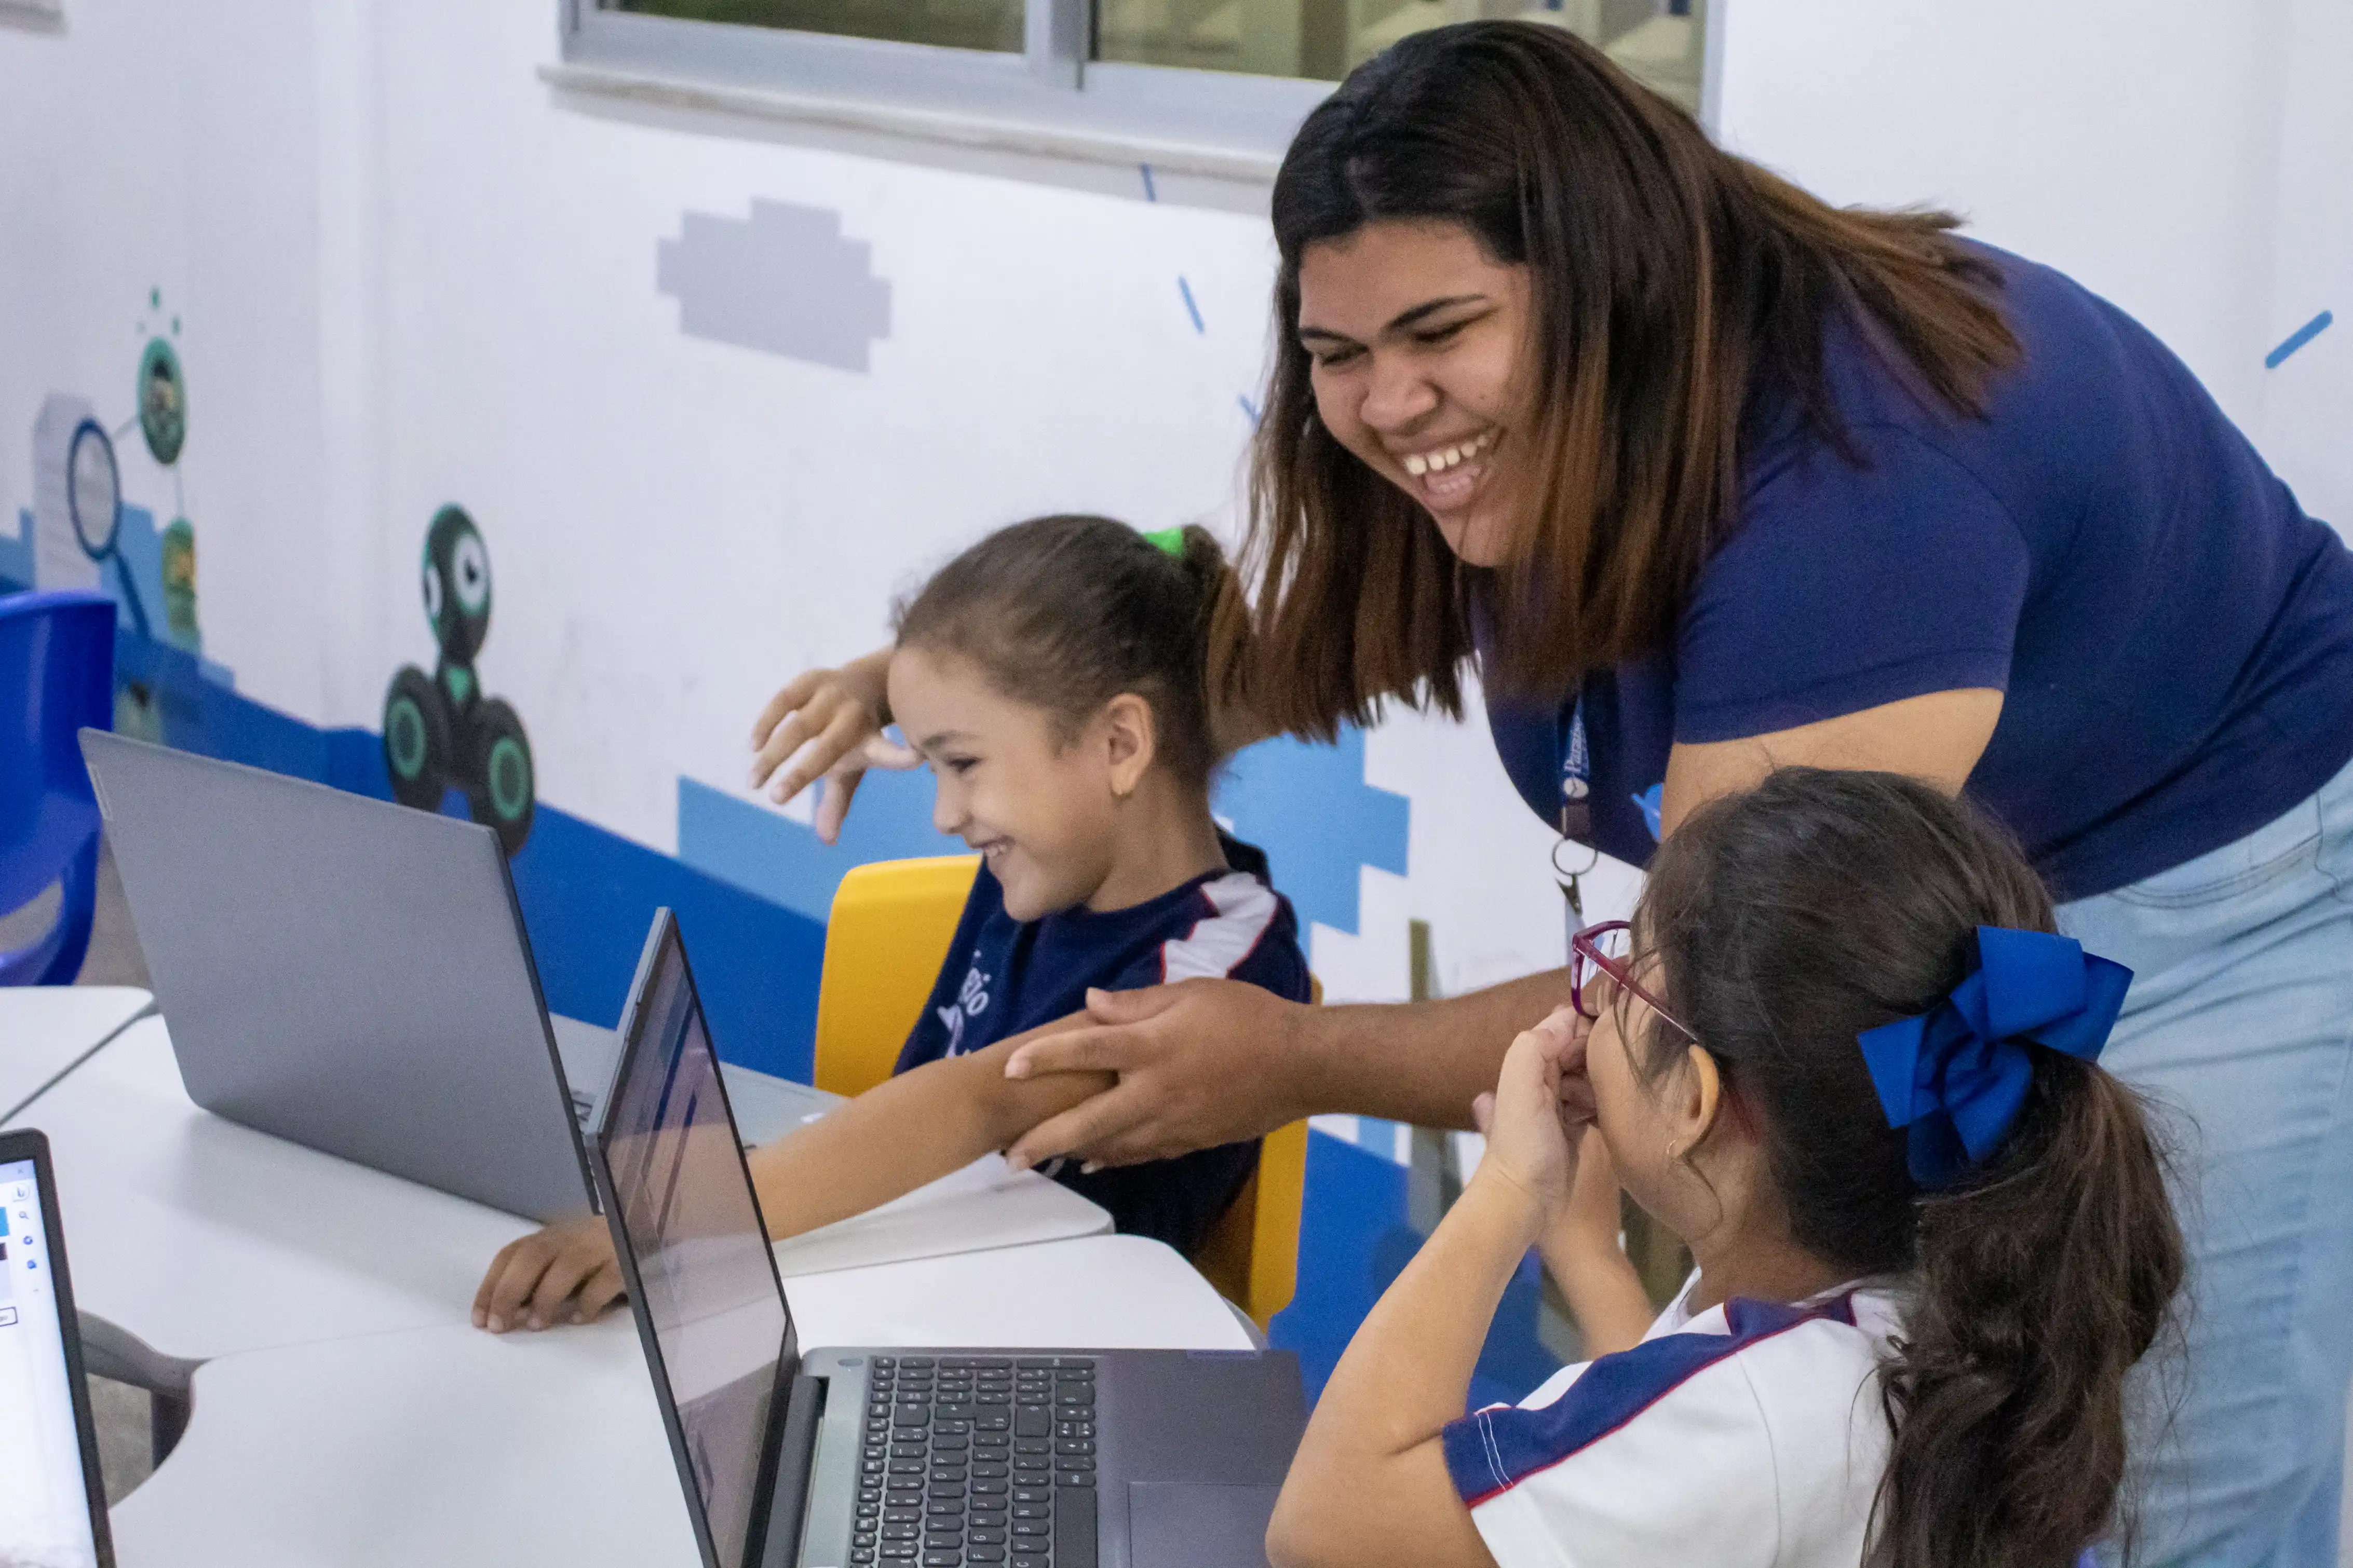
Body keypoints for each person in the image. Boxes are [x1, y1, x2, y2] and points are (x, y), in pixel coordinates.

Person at [746, 23, 2353, 1562]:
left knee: (2162, 1495)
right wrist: (929, 685)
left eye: (1440, 334)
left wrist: (1299, 1058)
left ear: (1608, 289)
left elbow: (1714, 985)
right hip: (1943, 907)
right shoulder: (1497, 438)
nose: (1386, 407)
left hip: (2234, 890)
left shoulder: (1855, 500)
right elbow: (1224, 665)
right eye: (1334, 354)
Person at [1269, 769, 2183, 1568]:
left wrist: (1510, 1191)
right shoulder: (1925, 1321)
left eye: (1625, 975)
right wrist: (1593, 1259)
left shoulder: (1767, 1412)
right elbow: (1684, 1459)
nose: (1594, 1003)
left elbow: (1325, 1523)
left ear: (1692, 1102)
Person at [472, 515, 1309, 1333]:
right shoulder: (1044, 867)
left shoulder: (1226, 959)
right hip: (902, 1292)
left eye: (965, 764)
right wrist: (873, 684)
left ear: (1122, 745)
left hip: (1047, 1368)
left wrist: (679, 1222)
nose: (946, 814)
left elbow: (976, 1103)